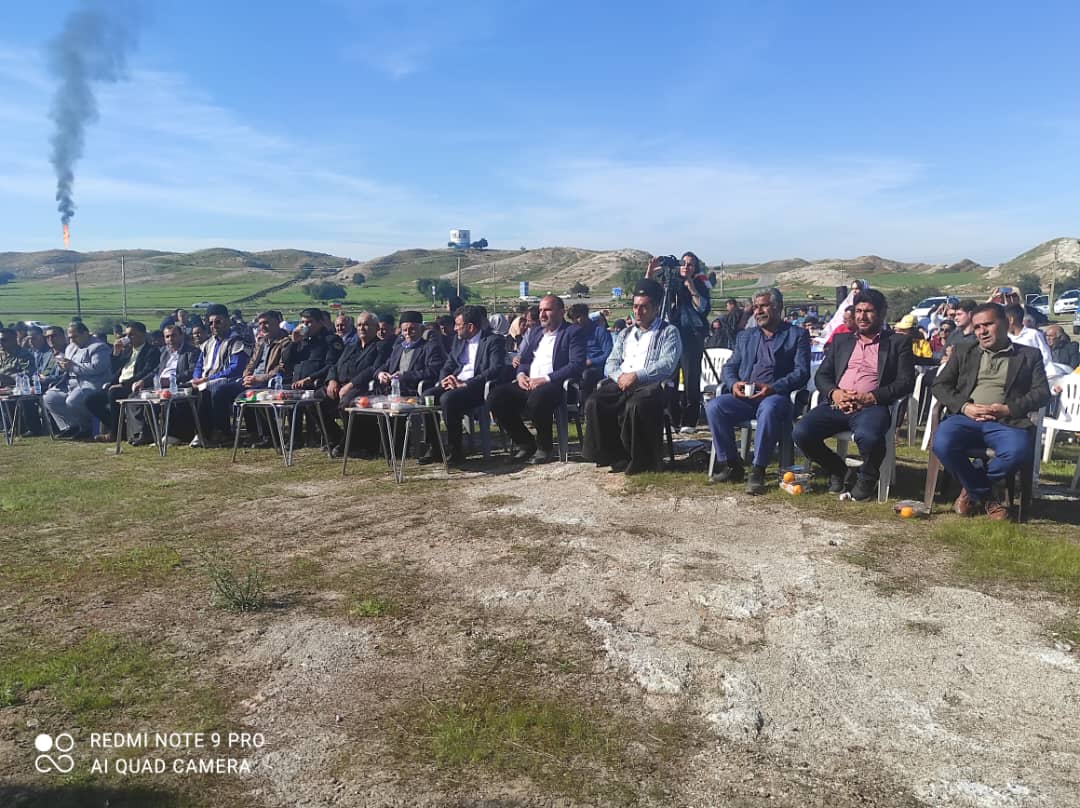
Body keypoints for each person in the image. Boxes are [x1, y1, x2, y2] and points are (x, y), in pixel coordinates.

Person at [794, 289, 915, 500]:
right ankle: (839, 470)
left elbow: (905, 382)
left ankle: (867, 478)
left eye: (868, 311)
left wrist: (872, 397)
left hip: (871, 406)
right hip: (837, 404)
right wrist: (835, 393)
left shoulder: (897, 342)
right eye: (859, 311)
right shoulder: (842, 341)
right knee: (802, 433)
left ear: (882, 313)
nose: (862, 316)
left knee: (869, 437)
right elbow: (822, 376)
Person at [931, 303, 1050, 520]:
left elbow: (1042, 393)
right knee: (942, 443)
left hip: (1006, 422)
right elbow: (939, 385)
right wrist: (966, 407)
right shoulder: (964, 351)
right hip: (966, 418)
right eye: (977, 327)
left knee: (1017, 451)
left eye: (988, 324)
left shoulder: (1029, 356)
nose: (982, 331)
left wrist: (1008, 408)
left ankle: (970, 488)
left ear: (1005, 323)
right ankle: (987, 497)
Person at [705, 288, 811, 494]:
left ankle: (758, 469)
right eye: (755, 307)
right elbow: (730, 366)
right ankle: (731, 464)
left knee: (769, 409)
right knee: (714, 406)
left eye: (763, 306)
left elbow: (802, 372)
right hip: (745, 396)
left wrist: (773, 388)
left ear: (778, 307)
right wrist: (733, 383)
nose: (758, 311)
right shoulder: (746, 336)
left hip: (776, 396)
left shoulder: (796, 335)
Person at [582, 279, 682, 475]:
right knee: (595, 401)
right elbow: (611, 362)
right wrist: (620, 377)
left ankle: (641, 459)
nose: (638, 311)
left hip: (652, 384)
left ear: (655, 308)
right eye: (635, 306)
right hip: (622, 381)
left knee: (635, 406)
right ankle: (613, 455)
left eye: (644, 307)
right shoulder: (625, 333)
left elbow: (667, 365)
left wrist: (636, 376)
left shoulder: (668, 332)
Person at [488, 295, 586, 464]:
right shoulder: (535, 332)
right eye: (540, 310)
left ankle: (545, 447)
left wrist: (545, 379)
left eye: (547, 310)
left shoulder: (572, 332)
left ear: (561, 312)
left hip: (556, 385)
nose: (542, 314)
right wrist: (520, 375)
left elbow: (576, 365)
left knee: (537, 399)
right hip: (529, 382)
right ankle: (525, 443)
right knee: (496, 397)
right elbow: (524, 360)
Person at [418, 305, 506, 466]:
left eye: (458, 325)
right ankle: (435, 447)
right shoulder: (458, 341)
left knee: (447, 399)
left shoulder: (494, 340)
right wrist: (445, 379)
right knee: (427, 397)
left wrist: (465, 384)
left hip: (477, 388)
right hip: (455, 384)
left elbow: (495, 369)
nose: (455, 329)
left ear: (470, 327)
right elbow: (448, 365)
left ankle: (455, 450)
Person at [646, 252, 710, 432]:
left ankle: (690, 420)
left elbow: (703, 308)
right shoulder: (670, 282)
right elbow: (649, 294)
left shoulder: (699, 282)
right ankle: (672, 417)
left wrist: (690, 285)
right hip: (671, 334)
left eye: (691, 264)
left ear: (695, 267)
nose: (686, 267)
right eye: (684, 263)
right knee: (670, 377)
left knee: (690, 377)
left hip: (691, 335)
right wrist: (650, 272)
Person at [86, 321, 161, 443]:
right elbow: (116, 370)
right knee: (91, 400)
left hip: (133, 386)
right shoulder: (127, 351)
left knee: (114, 393)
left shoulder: (151, 351)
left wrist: (125, 384)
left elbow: (146, 372)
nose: (128, 338)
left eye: (132, 334)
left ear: (142, 335)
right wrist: (116, 353)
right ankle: (122, 429)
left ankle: (115, 433)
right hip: (117, 384)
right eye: (127, 335)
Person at [190, 305, 250, 446]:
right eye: (211, 323)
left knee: (211, 390)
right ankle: (187, 432)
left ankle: (219, 432)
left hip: (229, 380)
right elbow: (199, 365)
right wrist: (196, 378)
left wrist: (207, 379)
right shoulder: (207, 344)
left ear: (227, 321)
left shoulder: (237, 341)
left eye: (218, 322)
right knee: (186, 391)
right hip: (205, 380)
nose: (214, 326)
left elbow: (236, 368)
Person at [42, 321, 112, 439]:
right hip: (70, 382)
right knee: (50, 398)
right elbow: (68, 366)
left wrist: (72, 366)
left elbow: (97, 368)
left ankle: (86, 427)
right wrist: (62, 366)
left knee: (72, 401)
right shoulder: (70, 347)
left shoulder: (99, 347)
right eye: (70, 337)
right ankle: (70, 426)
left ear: (85, 333)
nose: (72, 340)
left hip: (92, 383)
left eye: (75, 337)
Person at [567, 304, 613, 401]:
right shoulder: (575, 332)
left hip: (597, 367)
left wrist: (591, 361)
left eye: (578, 317)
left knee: (586, 374)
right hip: (579, 364)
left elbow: (608, 353)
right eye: (573, 319)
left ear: (586, 315)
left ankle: (585, 407)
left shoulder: (600, 331)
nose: (576, 321)